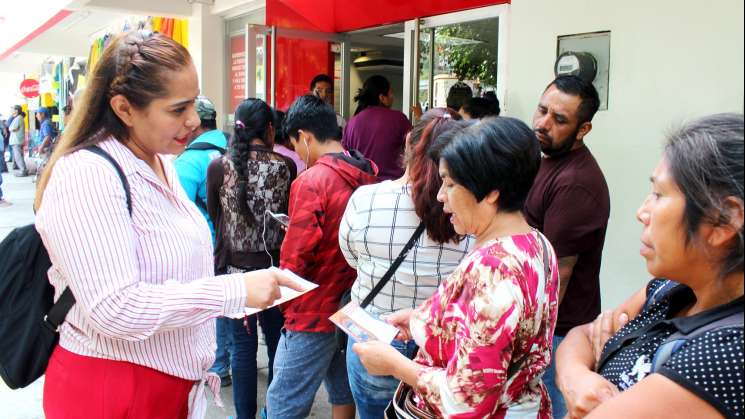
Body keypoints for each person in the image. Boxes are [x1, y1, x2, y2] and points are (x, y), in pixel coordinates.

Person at [32, 30, 301, 419]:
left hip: (168, 388)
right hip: (115, 389)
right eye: (177, 110)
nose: (193, 120)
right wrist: (233, 290)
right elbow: (114, 307)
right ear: (124, 108)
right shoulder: (87, 174)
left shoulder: (160, 162)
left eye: (193, 103)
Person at [354, 117, 559, 418]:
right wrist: (418, 322)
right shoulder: (535, 243)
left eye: (450, 184)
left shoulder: (493, 271)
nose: (440, 196)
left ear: (491, 191)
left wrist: (395, 365)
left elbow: (466, 400)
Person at [555, 113, 744, 419]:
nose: (642, 212)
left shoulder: (727, 352)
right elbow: (581, 337)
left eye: (658, 194)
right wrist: (577, 377)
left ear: (723, 220)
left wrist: (582, 373)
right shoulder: (671, 291)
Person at [339, 108, 474, 418]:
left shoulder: (365, 199)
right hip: (440, 346)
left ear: (408, 145)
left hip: (374, 335)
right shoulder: (470, 216)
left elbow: (351, 257)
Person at [266, 94, 378, 419]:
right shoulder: (368, 173)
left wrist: (284, 302)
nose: (300, 155)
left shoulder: (312, 181)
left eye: (297, 146)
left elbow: (297, 255)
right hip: (352, 305)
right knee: (343, 390)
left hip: (312, 309)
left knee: (284, 401)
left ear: (305, 136)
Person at [523, 75, 609, 418]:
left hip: (557, 337)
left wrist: (526, 343)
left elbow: (557, 276)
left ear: (583, 129)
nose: (543, 123)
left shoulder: (575, 183)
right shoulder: (544, 156)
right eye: (542, 110)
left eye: (560, 120)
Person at [207, 98, 297, 419]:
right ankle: (273, 410)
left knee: (242, 350)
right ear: (271, 129)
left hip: (235, 274)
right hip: (273, 271)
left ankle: (243, 416)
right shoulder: (286, 167)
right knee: (276, 345)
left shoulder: (219, 167)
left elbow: (216, 218)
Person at [173, 95, 232, 387]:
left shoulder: (186, 162)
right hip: (241, 247)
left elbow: (176, 212)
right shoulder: (234, 148)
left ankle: (219, 365)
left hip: (207, 247)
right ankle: (230, 358)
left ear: (195, 125)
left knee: (213, 308)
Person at [343, 75, 411, 181]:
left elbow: (346, 158)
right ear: (382, 98)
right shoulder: (399, 119)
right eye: (390, 93)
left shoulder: (352, 123)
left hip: (361, 187)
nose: (392, 96)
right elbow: (415, 147)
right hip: (392, 188)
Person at [9, 105, 27, 177]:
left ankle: (23, 171)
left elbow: (12, 128)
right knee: (19, 156)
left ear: (16, 110)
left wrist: (11, 128)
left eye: (12, 109)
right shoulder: (17, 118)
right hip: (16, 140)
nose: (11, 111)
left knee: (18, 156)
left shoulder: (18, 118)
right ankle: (24, 170)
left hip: (16, 140)